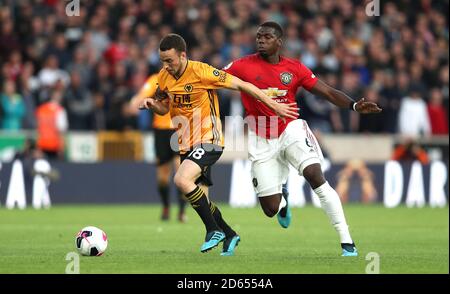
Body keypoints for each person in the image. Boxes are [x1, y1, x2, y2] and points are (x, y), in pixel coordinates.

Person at [223, 22, 382, 256]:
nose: (261, 41)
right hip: (260, 135)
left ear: (280, 42)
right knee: (270, 209)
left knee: (315, 177)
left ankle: (346, 241)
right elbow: (212, 79)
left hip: (291, 129)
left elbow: (326, 91)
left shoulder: (294, 68)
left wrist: (354, 105)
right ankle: (283, 197)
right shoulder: (241, 66)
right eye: (258, 37)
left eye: (267, 37)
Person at [139, 33, 298, 255]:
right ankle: (230, 233)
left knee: (181, 179)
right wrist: (152, 105)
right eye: (163, 61)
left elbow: (243, 85)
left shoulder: (202, 71)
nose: (166, 65)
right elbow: (165, 107)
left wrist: (274, 105)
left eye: (170, 60)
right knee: (197, 196)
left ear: (183, 55)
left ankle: (213, 230)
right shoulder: (164, 76)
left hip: (209, 140)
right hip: (185, 144)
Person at [129, 73, 187, 222]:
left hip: (179, 129)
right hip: (161, 131)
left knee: (180, 173)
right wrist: (135, 102)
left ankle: (181, 211)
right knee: (163, 177)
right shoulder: (156, 79)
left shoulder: (184, 78)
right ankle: (166, 206)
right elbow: (142, 94)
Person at [35, 89, 68, 160]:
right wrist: (62, 147)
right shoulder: (60, 110)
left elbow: (37, 127)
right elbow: (61, 130)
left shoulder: (41, 109)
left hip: (42, 144)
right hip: (54, 145)